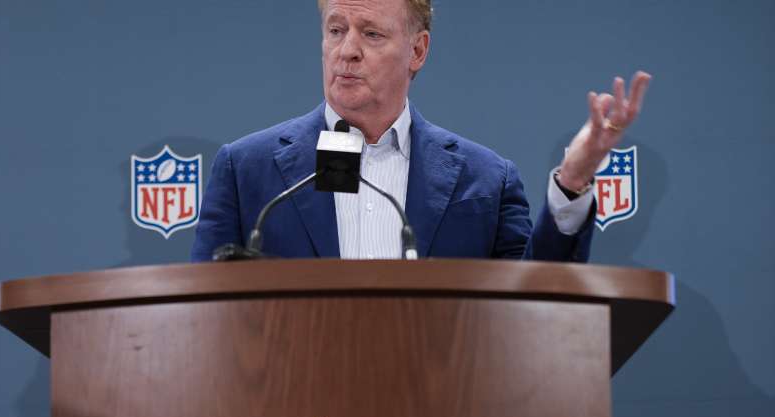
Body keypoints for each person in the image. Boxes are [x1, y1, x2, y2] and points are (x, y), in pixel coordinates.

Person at [190, 0, 651, 263]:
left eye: (371, 34)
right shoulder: (247, 170)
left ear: (418, 50)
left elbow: (533, 308)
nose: (346, 51)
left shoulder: (486, 180)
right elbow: (203, 316)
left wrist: (572, 181)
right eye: (336, 29)